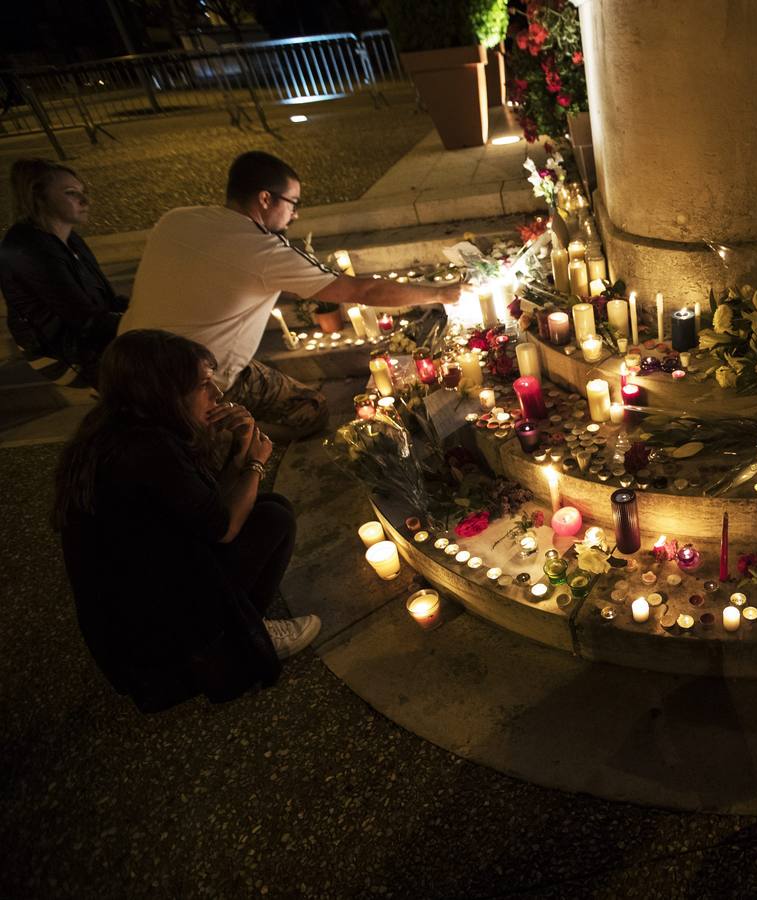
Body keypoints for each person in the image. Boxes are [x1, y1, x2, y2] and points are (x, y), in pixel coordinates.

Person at [53, 329, 320, 713]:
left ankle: (236, 625)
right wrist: (258, 463)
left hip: (143, 599)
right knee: (273, 518)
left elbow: (204, 508)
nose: (217, 396)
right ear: (163, 393)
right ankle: (240, 638)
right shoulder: (146, 451)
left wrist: (240, 451)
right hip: (154, 634)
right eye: (203, 385)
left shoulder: (117, 426)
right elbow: (223, 528)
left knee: (267, 508)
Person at [119, 150, 461, 438]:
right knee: (311, 410)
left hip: (127, 366)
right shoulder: (263, 251)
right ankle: (232, 437)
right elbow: (363, 289)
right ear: (265, 198)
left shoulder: (176, 219)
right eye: (292, 203)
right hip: (195, 385)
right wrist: (443, 292)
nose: (295, 214)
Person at [1, 158, 127, 388]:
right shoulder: (28, 250)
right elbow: (83, 320)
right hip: (61, 353)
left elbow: (106, 300)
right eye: (71, 193)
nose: (85, 200)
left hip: (89, 337)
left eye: (83, 192)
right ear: (38, 197)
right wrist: (143, 321)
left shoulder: (70, 239)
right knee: (167, 366)